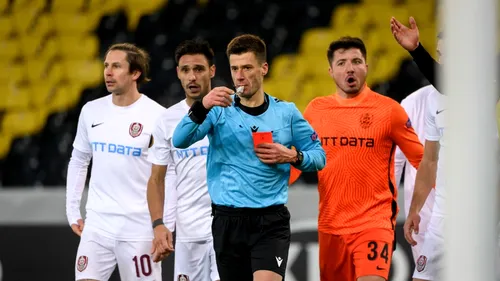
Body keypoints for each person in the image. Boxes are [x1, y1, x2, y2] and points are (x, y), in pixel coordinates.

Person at [171, 34, 326, 281]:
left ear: (263, 68)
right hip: (228, 221)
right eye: (234, 69)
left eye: (246, 67)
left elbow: (320, 157)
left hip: (270, 221)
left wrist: (292, 155)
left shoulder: (286, 112)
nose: (240, 76)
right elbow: (179, 140)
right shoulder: (218, 109)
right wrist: (202, 105)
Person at [290, 36, 424, 281]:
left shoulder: (389, 110)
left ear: (366, 67)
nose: (349, 68)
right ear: (331, 71)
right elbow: (296, 162)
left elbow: (423, 162)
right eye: (341, 63)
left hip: (374, 223)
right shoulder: (316, 109)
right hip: (331, 226)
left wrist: (420, 207)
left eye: (356, 61)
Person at [65, 43, 166, 281]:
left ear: (135, 73)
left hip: (139, 228)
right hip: (98, 224)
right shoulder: (91, 111)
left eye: (116, 66)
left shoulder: (158, 116)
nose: (108, 72)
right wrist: (72, 210)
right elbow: (79, 160)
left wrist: (163, 224)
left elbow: (166, 176)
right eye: (106, 66)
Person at [146, 39, 220, 281]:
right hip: (189, 232)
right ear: (178, 73)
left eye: (199, 69)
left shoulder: (231, 113)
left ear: (212, 71)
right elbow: (156, 179)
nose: (192, 77)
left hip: (228, 230)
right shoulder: (167, 120)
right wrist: (159, 224)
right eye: (186, 70)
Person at [394, 85, 438, 263]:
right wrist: (386, 214)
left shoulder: (479, 98)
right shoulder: (413, 102)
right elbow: (396, 161)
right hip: (424, 215)